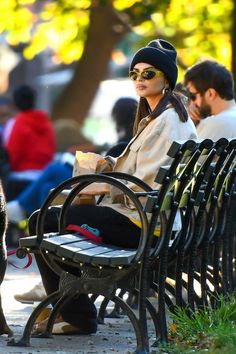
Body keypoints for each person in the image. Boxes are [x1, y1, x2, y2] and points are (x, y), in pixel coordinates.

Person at [26, 39, 197, 334]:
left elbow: (143, 187)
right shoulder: (162, 117)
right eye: (134, 74)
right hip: (155, 222)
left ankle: (76, 315)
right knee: (52, 216)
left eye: (148, 74)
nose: (139, 80)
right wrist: (106, 168)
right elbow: (142, 175)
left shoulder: (167, 122)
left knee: (42, 220)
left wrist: (101, 187)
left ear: (166, 77)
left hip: (142, 225)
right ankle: (73, 311)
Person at [2, 84, 56, 200]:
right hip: (44, 176)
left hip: (20, 180)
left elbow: (11, 155)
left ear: (15, 103)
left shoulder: (15, 123)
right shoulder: (46, 123)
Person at [184, 60, 236, 139]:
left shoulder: (218, 123)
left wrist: (189, 122)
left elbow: (185, 150)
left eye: (193, 96)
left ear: (211, 94)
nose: (192, 103)